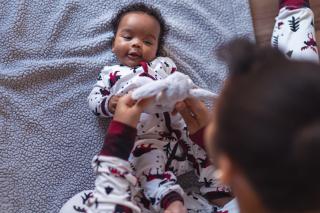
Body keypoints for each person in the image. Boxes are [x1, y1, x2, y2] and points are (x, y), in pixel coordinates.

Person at [86, 2, 231, 213]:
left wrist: (187, 91)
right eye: (128, 38)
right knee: (147, 168)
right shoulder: (111, 73)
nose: (136, 45)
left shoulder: (164, 65)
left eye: (147, 41)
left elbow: (181, 83)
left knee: (204, 151)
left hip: (182, 131)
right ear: (113, 44)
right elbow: (94, 99)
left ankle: (220, 191)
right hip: (144, 140)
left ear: (156, 48)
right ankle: (169, 200)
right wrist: (109, 103)